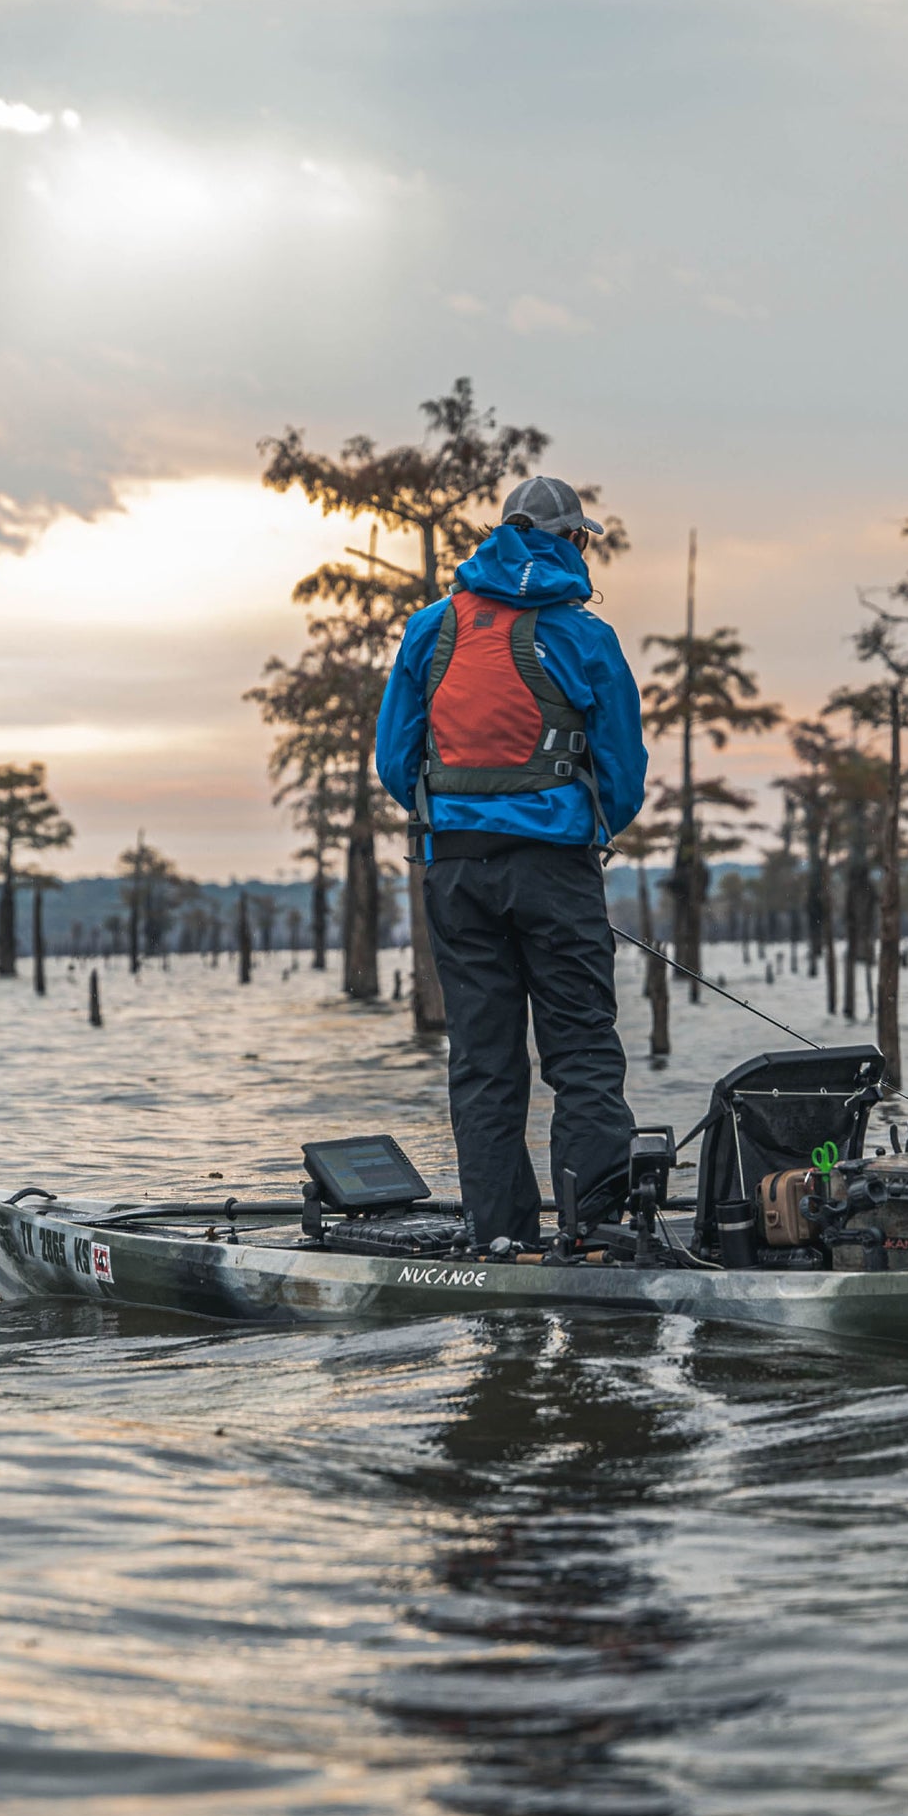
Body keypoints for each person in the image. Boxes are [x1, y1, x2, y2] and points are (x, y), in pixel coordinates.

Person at [376, 475, 648, 1246]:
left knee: (485, 1063)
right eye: (584, 538)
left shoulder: (431, 628)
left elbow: (396, 760)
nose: (585, 549)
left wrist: (459, 818)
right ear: (566, 541)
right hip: (556, 871)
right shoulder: (584, 635)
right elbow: (624, 769)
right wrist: (576, 828)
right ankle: (593, 1234)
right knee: (584, 1054)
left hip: (454, 872)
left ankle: (500, 1238)